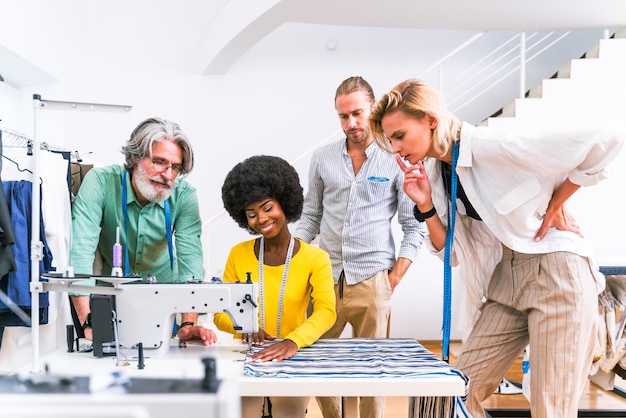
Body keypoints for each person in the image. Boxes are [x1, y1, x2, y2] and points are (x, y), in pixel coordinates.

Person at [368, 78, 625, 418]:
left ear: (430, 119)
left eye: (399, 135)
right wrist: (426, 205)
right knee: (449, 395)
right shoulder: (437, 172)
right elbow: (452, 254)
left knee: (552, 410)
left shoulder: (491, 144)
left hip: (558, 274)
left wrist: (557, 201)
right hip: (508, 277)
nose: (396, 147)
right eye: (390, 140)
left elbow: (607, 139)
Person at [295, 76, 425, 418]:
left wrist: (394, 277)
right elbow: (311, 215)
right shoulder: (322, 158)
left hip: (373, 279)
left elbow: (414, 226)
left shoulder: (395, 157)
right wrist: (290, 256)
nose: (351, 123)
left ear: (373, 110)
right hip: (325, 278)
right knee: (317, 360)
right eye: (343, 116)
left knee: (372, 369)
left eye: (357, 113)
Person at [69, 117, 216, 345]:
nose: (168, 175)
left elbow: (191, 263)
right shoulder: (101, 183)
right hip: (110, 297)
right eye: (159, 162)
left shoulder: (184, 196)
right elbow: (81, 250)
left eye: (175, 167)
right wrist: (88, 321)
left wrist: (188, 324)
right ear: (135, 157)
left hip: (164, 298)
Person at [215, 155, 336, 418]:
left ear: (285, 202)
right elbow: (219, 311)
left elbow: (327, 311)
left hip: (292, 354)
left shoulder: (315, 258)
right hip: (246, 355)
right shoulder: (238, 254)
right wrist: (245, 327)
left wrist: (294, 341)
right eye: (251, 214)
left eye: (267, 207)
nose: (261, 219)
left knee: (287, 413)